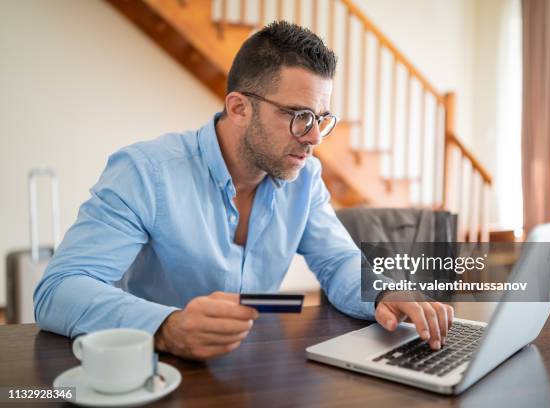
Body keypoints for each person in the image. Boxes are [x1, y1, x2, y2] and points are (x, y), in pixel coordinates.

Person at [34, 21, 453, 361]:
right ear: (239, 108)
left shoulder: (305, 178)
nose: (313, 138)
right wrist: (165, 328)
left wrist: (383, 290)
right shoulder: (145, 171)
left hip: (250, 365)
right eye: (299, 116)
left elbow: (338, 260)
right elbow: (60, 289)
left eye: (321, 119)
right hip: (149, 371)